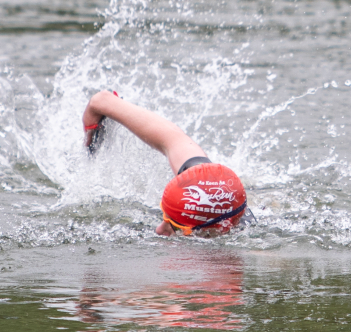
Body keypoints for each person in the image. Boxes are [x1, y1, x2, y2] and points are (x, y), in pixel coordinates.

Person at [82, 90, 251, 237]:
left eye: (177, 227)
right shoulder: (198, 177)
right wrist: (99, 104)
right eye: (164, 215)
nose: (158, 229)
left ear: (213, 232)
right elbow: (172, 139)